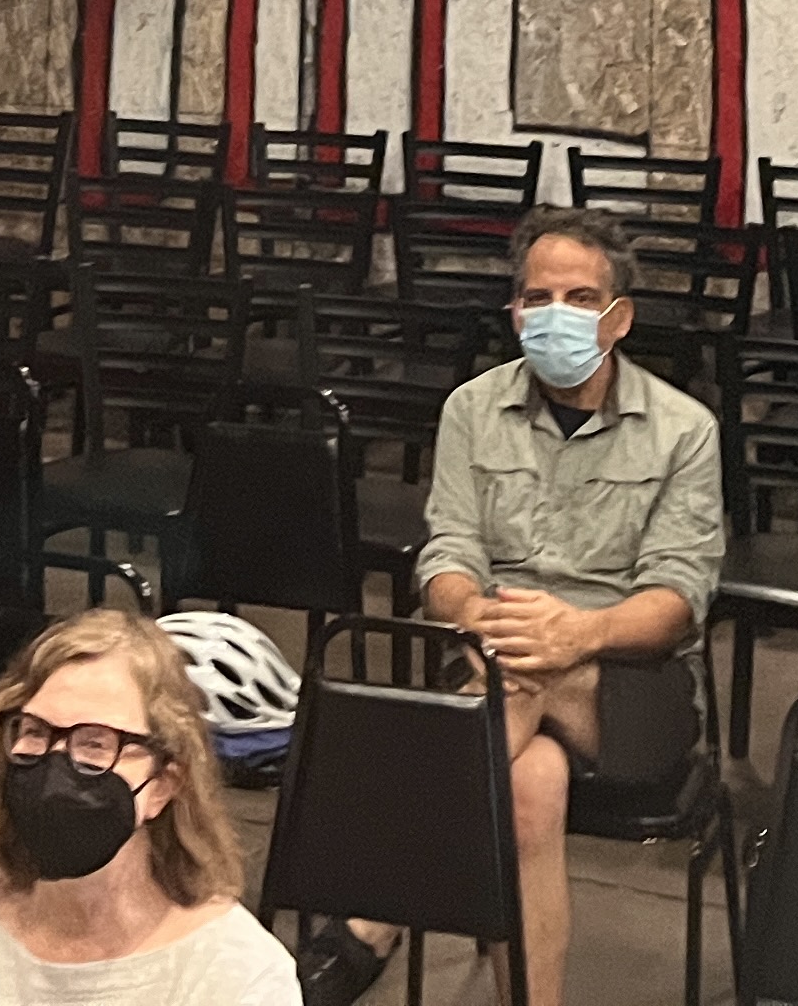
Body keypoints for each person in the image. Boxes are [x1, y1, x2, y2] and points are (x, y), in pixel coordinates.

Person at [318, 203, 723, 1006]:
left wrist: (579, 633)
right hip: (492, 652)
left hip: (630, 686)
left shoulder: (684, 430)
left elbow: (679, 597)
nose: (555, 315)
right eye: (538, 298)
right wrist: (474, 614)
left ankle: (371, 917)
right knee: (530, 786)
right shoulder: (472, 410)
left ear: (619, 319)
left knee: (522, 679)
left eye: (580, 298)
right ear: (514, 312)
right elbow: (448, 556)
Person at [0, 608, 297, 1006]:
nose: (56, 768)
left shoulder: (238, 975)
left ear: (164, 785)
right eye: (36, 731)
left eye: (95, 743)